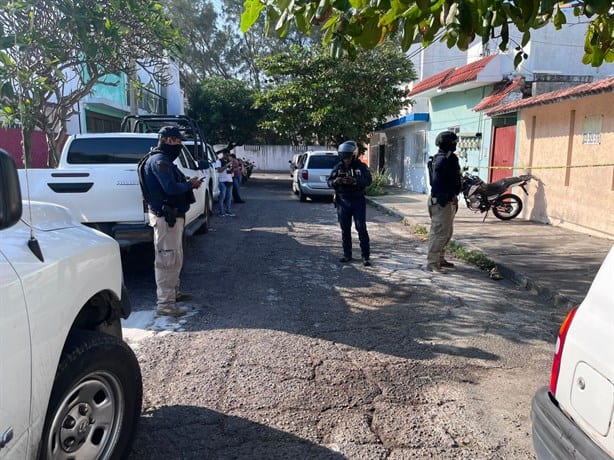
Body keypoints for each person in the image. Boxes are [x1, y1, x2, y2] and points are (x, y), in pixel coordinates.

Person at [139, 126, 203, 317]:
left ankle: (174, 294)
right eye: (178, 141)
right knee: (167, 260)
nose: (180, 145)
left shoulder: (161, 159)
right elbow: (171, 188)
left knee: (175, 257)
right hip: (166, 217)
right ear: (168, 140)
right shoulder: (159, 161)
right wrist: (190, 184)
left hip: (171, 217)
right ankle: (166, 304)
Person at [327, 140, 373, 266]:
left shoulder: (361, 167)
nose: (346, 159)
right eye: (343, 157)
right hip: (343, 201)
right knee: (345, 229)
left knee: (361, 228)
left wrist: (355, 181)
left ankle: (366, 256)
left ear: (353, 155)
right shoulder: (338, 167)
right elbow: (329, 182)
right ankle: (347, 254)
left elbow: (368, 180)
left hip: (358, 200)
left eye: (348, 157)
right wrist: (337, 181)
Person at [426, 130, 462, 274]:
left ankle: (440, 258)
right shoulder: (442, 160)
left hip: (447, 201)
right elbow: (438, 184)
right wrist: (449, 195)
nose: (455, 145)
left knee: (446, 232)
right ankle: (432, 263)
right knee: (439, 233)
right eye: (453, 143)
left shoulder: (447, 158)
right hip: (441, 201)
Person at [215, 150, 235, 216]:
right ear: (223, 154)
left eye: (228, 155)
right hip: (222, 181)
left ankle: (228, 211)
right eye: (226, 155)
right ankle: (221, 211)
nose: (227, 156)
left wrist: (233, 167)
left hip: (229, 180)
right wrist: (227, 165)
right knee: (222, 196)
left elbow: (231, 172)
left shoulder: (230, 161)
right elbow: (219, 170)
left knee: (229, 197)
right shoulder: (219, 161)